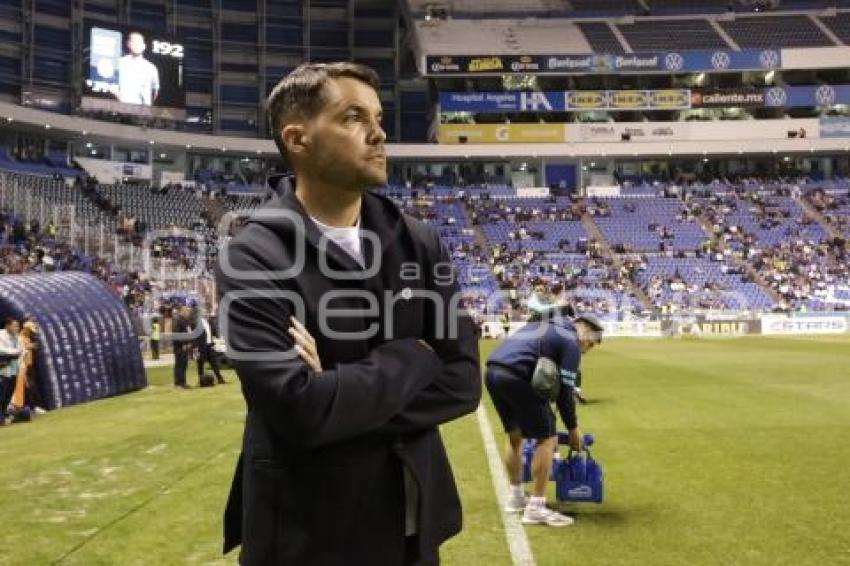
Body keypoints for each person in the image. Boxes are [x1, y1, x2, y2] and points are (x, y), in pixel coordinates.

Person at [216, 62, 481, 565]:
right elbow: (297, 410)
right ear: (298, 139)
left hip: (413, 529)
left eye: (377, 117)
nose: (379, 132)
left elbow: (465, 382)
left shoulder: (418, 241)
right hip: (304, 534)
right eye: (353, 118)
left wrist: (335, 392)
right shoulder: (252, 255)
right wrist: (413, 357)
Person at [485, 307, 603, 527]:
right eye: (590, 345)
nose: (586, 351)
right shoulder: (570, 341)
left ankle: (517, 497)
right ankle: (536, 508)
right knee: (547, 438)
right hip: (518, 375)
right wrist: (573, 428)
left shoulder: (546, 324)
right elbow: (566, 392)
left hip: (493, 371)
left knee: (515, 435)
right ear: (586, 332)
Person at [117, 31, 160, 106]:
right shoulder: (119, 63)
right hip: (122, 108)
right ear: (128, 44)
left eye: (139, 42)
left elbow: (155, 90)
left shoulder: (151, 68)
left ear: (144, 46)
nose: (137, 45)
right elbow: (112, 85)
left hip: (144, 111)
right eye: (134, 42)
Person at [193, 309, 225, 385]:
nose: (206, 313)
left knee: (214, 363)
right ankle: (201, 381)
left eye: (206, 312)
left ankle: (220, 379)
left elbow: (214, 332)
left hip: (209, 345)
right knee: (200, 364)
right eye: (204, 312)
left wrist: (217, 337)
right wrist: (195, 347)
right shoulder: (196, 322)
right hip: (201, 346)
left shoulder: (209, 322)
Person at [0, 317, 21, 424]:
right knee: (1, 394)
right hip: (3, 369)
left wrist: (16, 353)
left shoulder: (16, 336)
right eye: (14, 326)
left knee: (9, 393)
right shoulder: (1, 335)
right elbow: (2, 350)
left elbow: (21, 350)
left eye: (17, 326)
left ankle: (3, 415)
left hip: (14, 369)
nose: (17, 328)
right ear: (7, 326)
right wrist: (14, 352)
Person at [171, 306, 192, 389]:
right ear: (183, 311)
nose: (188, 314)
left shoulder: (185, 321)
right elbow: (177, 334)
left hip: (185, 346)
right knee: (179, 365)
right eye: (187, 312)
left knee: (184, 365)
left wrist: (189, 343)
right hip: (179, 347)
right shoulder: (177, 320)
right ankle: (178, 383)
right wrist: (183, 344)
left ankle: (183, 382)